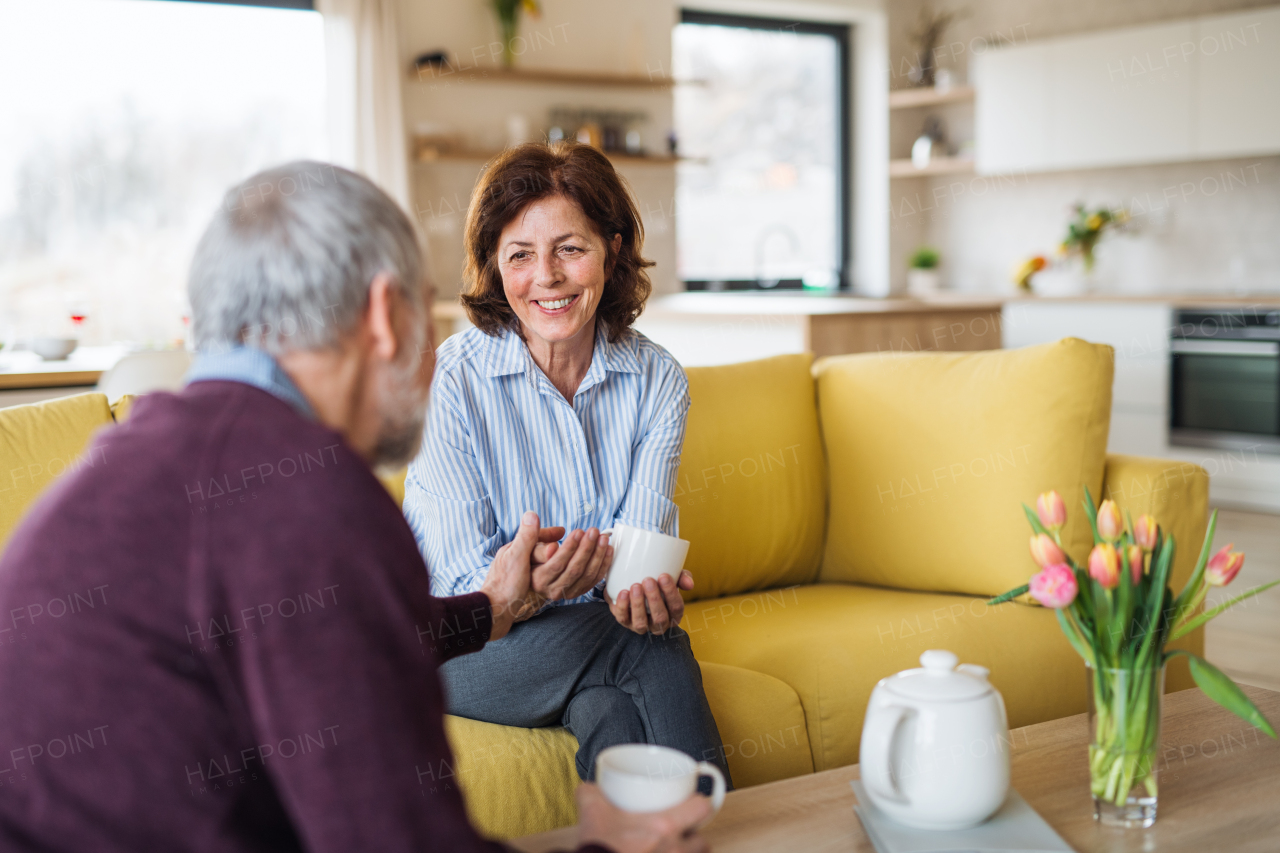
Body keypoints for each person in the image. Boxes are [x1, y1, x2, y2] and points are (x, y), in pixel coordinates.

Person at [0, 162, 710, 852]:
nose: (436, 353)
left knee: (615, 704)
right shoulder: (312, 497)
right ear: (383, 314)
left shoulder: (128, 459)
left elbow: (343, 630)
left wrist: (489, 606)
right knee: (639, 656)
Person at [403, 142, 730, 786]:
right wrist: (534, 590)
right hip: (464, 650)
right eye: (520, 255)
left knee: (611, 706)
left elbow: (636, 557)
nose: (546, 276)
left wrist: (645, 593)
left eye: (570, 248)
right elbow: (455, 590)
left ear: (611, 249)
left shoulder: (656, 378)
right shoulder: (451, 381)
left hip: (583, 643)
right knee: (643, 645)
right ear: (496, 269)